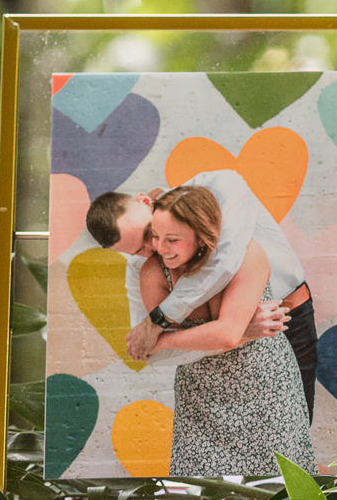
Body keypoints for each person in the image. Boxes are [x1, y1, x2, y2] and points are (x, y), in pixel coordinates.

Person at [84, 169, 320, 420]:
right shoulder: (142, 270)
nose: (155, 248)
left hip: (287, 318)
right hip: (214, 376)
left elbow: (224, 262)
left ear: (145, 201)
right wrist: (237, 332)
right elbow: (151, 351)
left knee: (293, 441)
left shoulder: (220, 187)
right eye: (138, 250)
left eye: (147, 234)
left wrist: (159, 321)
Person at [137, 186, 315, 477]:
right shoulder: (154, 272)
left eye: (172, 239)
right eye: (156, 236)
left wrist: (161, 341)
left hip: (265, 388)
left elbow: (224, 335)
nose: (160, 247)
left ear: (200, 233)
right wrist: (248, 329)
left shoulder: (249, 254)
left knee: (278, 488)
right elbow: (156, 349)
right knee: (201, 492)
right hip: (199, 396)